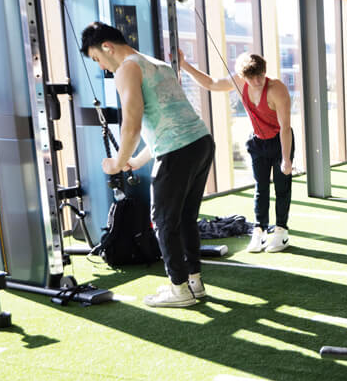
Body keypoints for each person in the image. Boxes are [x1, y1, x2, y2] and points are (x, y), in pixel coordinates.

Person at [81, 22, 214, 308]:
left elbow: (132, 124)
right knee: (185, 217)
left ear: (107, 47)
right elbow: (162, 122)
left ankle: (179, 289)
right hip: (200, 143)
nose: (102, 66)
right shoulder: (155, 64)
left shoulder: (126, 69)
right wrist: (133, 161)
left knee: (164, 220)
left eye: (97, 58)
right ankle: (194, 282)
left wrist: (116, 163)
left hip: (177, 150)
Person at [178, 50, 293, 253]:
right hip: (257, 141)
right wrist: (184, 65)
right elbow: (212, 84)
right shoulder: (239, 82)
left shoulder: (277, 89)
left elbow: (285, 127)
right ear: (243, 77)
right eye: (252, 77)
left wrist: (286, 159)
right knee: (261, 188)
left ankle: (281, 232)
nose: (257, 81)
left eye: (261, 75)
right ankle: (259, 230)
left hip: (279, 140)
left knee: (282, 187)